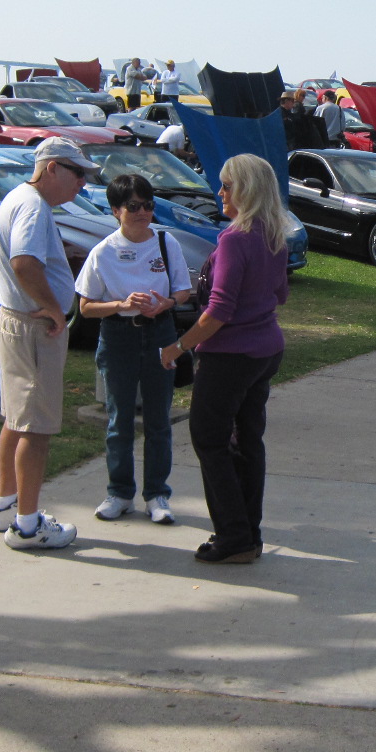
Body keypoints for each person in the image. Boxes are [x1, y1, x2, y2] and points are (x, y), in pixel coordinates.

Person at [161, 154, 290, 564]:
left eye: (227, 185)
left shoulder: (236, 239)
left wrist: (178, 346)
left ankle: (233, 535)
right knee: (247, 441)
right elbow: (280, 294)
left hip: (231, 355)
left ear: (248, 190)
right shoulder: (274, 235)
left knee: (210, 440)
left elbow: (219, 310)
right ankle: (248, 534)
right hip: (265, 350)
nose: (220, 193)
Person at [0, 138, 94, 551]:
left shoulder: (18, 198)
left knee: (17, 417)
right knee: (36, 426)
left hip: (15, 321)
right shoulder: (32, 206)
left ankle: (4, 507)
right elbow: (24, 263)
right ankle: (27, 527)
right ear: (51, 168)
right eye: (76, 172)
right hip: (32, 329)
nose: (81, 183)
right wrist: (55, 310)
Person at [76, 173, 194, 524]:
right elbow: (85, 307)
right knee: (120, 420)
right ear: (116, 210)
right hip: (119, 336)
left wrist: (165, 302)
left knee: (159, 420)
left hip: (159, 333)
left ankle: (157, 494)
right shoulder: (104, 251)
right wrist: (121, 303)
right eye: (133, 207)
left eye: (148, 206)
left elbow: (184, 292)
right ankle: (119, 493)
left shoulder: (164, 242)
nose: (143, 213)